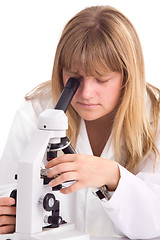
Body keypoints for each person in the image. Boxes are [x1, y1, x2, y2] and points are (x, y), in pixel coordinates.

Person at [0, 5, 160, 239]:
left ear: (128, 76)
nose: (86, 93)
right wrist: (9, 214)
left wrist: (113, 176)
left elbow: (154, 222)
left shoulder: (155, 118)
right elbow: (7, 187)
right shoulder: (36, 111)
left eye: (101, 79)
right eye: (74, 78)